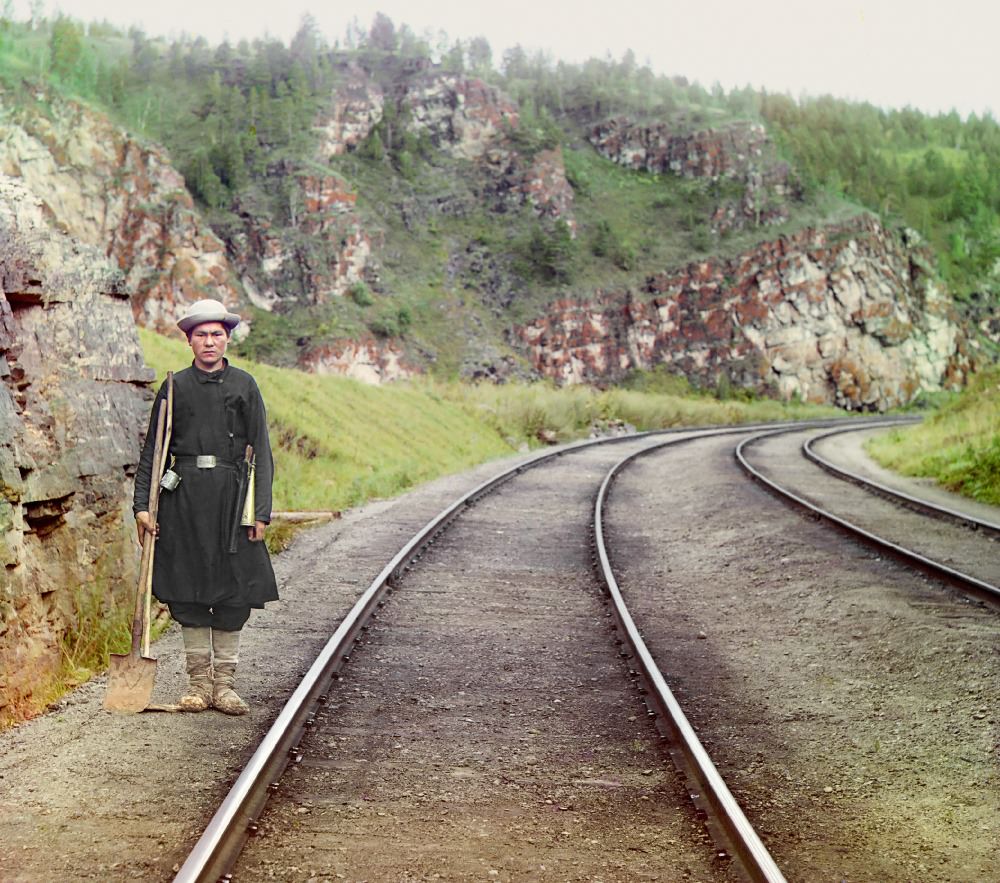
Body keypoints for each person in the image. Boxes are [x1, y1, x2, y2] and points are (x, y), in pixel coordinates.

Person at [133, 299, 278, 715]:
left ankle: (225, 687)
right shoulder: (174, 387)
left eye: (216, 334)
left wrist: (260, 511)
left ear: (227, 338)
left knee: (234, 590)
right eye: (201, 335)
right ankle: (198, 686)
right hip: (183, 500)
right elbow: (153, 453)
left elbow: (262, 450)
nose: (209, 341)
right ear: (189, 341)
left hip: (232, 500)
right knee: (187, 588)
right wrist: (142, 505)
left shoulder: (245, 385)